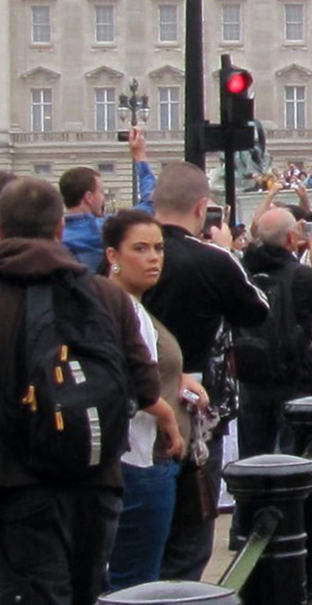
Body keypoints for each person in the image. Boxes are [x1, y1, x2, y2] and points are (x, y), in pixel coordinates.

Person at [0, 178, 166, 605]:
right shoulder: (105, 294)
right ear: (59, 228)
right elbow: (145, 383)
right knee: (87, 588)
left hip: (18, 480)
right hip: (96, 472)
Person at [141, 162, 270, 582]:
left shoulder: (128, 252)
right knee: (190, 534)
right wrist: (227, 249)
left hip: (138, 397)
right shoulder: (212, 259)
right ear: (202, 208)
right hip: (197, 407)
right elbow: (257, 311)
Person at [104, 209, 205, 592]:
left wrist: (176, 377)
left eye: (159, 248)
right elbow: (128, 375)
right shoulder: (123, 307)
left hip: (141, 457)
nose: (154, 258)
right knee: (136, 580)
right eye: (141, 248)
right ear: (113, 256)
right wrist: (165, 416)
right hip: (143, 457)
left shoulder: (129, 303)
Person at [237, 208, 312, 458]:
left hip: (251, 372)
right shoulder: (302, 276)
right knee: (295, 453)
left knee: (254, 455)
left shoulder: (242, 271)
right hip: (294, 372)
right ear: (290, 239)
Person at [60, 128, 157, 270]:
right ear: (89, 197)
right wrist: (140, 156)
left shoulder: (57, 233)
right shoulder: (101, 228)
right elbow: (150, 204)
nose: (103, 198)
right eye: (101, 192)